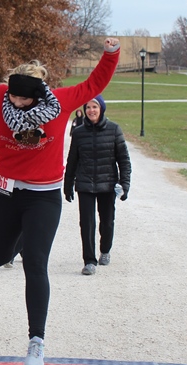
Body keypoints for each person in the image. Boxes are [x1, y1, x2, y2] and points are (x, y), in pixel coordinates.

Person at [0, 38, 120, 365]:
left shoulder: (60, 101)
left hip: (44, 197)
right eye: (12, 95)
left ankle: (36, 342)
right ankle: (26, 238)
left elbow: (94, 84)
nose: (15, 102)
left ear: (37, 95)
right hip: (6, 193)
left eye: (23, 98)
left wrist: (110, 54)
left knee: (35, 265)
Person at [63, 95, 131, 276]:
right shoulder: (78, 132)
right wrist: (68, 184)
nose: (91, 111)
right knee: (86, 223)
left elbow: (123, 160)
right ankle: (89, 261)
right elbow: (72, 161)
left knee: (107, 222)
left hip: (107, 184)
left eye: (95, 107)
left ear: (101, 109)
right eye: (88, 108)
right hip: (85, 183)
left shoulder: (114, 130)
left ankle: (105, 249)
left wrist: (124, 184)